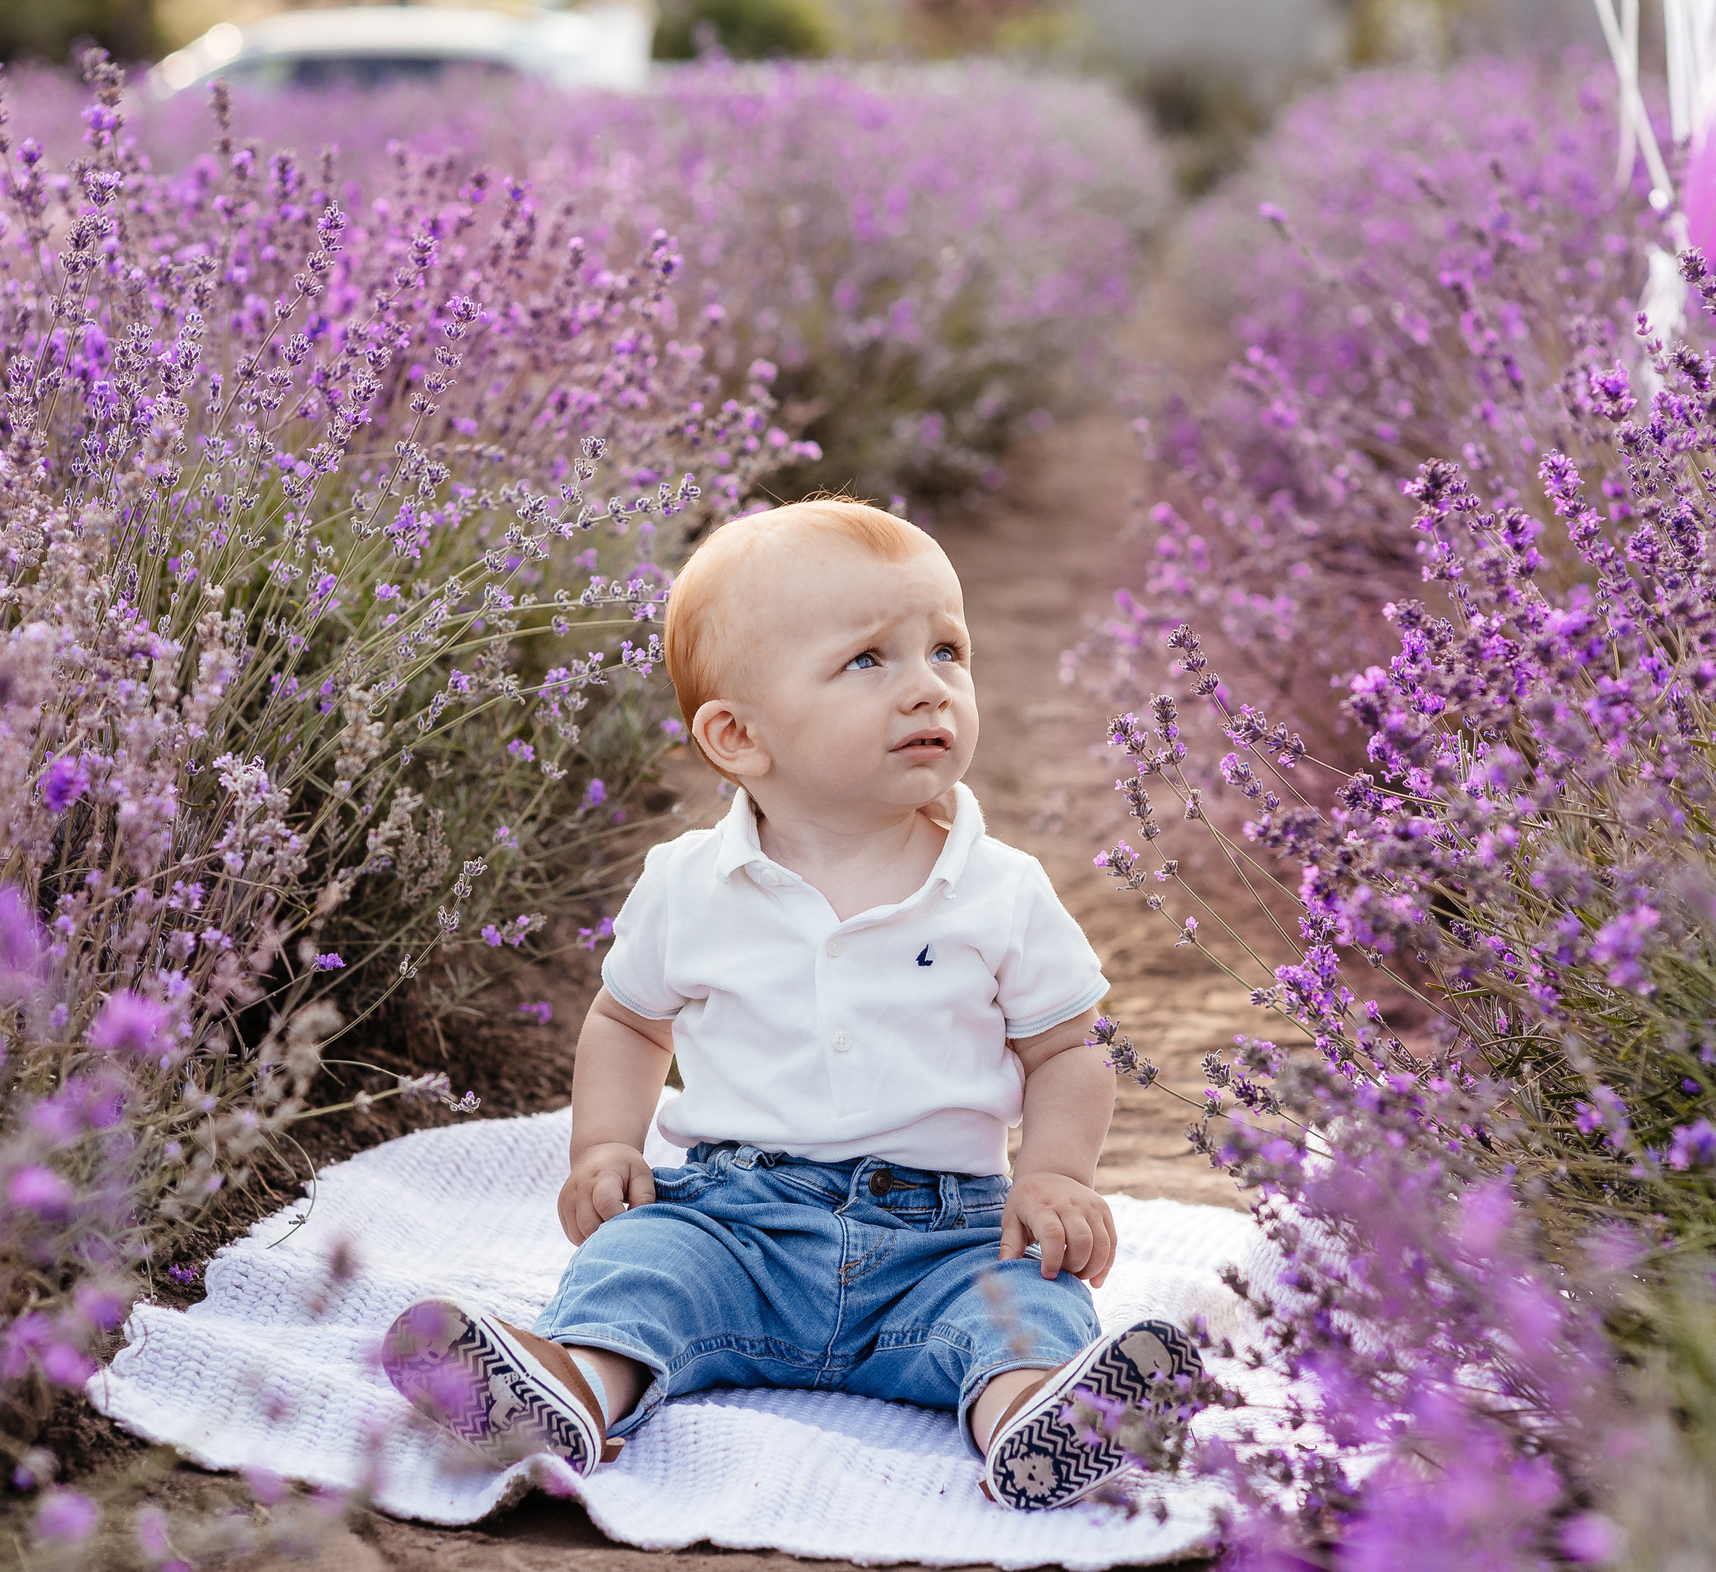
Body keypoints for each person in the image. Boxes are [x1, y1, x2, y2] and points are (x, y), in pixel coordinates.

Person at [382, 496, 1196, 1510]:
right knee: (641, 1268)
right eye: (868, 659)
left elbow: (1069, 1047)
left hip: (947, 1239)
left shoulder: (1001, 888)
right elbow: (629, 1019)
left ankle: (1037, 1416)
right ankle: (574, 1389)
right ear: (738, 735)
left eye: (947, 650)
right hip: (738, 1226)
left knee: (1021, 1305)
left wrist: (1055, 1173)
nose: (928, 686)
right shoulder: (689, 883)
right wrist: (605, 1145)